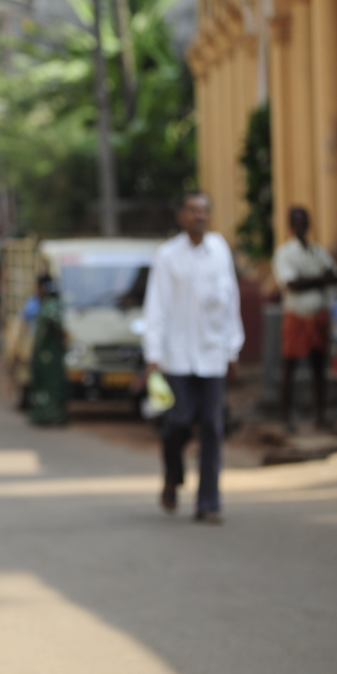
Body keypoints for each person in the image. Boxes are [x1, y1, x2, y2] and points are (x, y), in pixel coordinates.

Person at [143, 192, 245, 524]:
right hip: (178, 356)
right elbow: (156, 306)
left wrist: (234, 347)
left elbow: (231, 300)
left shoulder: (219, 251)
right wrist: (153, 354)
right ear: (181, 216)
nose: (198, 216)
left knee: (213, 427)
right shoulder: (168, 256)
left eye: (203, 211)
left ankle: (209, 503)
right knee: (179, 421)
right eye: (192, 211)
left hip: (213, 353)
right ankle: (173, 475)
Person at [272, 206, 337, 432]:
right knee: (289, 368)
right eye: (297, 222)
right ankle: (285, 419)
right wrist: (320, 279)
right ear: (291, 225)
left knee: (319, 368)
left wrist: (309, 280)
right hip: (296, 316)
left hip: (318, 317)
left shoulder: (318, 251)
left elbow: (334, 276)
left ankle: (320, 417)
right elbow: (292, 284)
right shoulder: (285, 253)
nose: (301, 226)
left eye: (304, 221)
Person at [28, 274, 68, 426]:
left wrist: (62, 345)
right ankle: (44, 415)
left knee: (51, 386)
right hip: (45, 354)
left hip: (50, 355)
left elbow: (54, 325)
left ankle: (52, 415)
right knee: (44, 386)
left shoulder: (50, 305)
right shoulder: (45, 304)